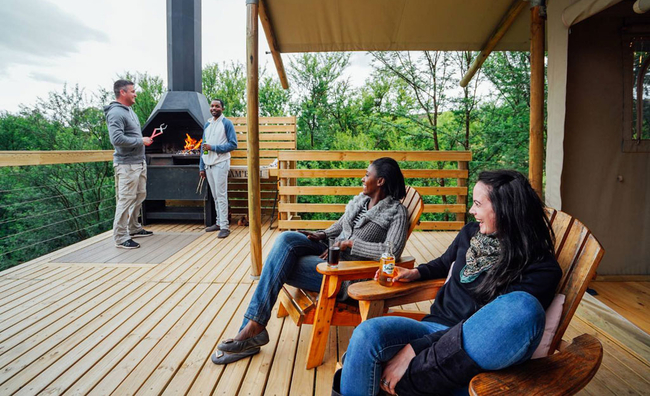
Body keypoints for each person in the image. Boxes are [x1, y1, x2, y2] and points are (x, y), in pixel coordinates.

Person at [335, 170, 562, 396]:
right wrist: (415, 273)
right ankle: (395, 378)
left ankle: (400, 382)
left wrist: (413, 350)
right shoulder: (471, 233)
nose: (472, 210)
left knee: (523, 308)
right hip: (433, 328)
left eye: (477, 203)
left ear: (506, 208)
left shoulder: (541, 268)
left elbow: (486, 330)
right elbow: (445, 262)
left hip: (474, 355)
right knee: (367, 334)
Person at [211, 157, 409, 365]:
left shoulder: (397, 212)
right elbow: (340, 226)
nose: (362, 178)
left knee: (280, 263)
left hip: (348, 272)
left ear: (381, 181)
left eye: (367, 175)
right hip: (331, 252)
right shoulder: (362, 201)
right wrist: (322, 235)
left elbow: (391, 251)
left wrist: (350, 244)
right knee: (286, 239)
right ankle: (253, 327)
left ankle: (251, 329)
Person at [104, 79, 154, 249]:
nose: (135, 94)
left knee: (140, 195)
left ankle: (133, 227)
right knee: (125, 200)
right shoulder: (116, 113)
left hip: (138, 163)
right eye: (133, 91)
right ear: (123, 92)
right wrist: (141, 140)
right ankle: (120, 236)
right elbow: (116, 139)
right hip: (126, 166)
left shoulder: (129, 111)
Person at [199, 99, 238, 238]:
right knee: (215, 196)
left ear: (222, 108)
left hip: (221, 163)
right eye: (212, 106)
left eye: (217, 106)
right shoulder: (207, 124)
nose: (214, 108)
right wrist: (202, 166)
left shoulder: (226, 123)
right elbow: (204, 146)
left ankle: (225, 227)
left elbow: (233, 144)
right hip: (208, 164)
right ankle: (218, 223)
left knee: (221, 195)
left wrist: (213, 148)